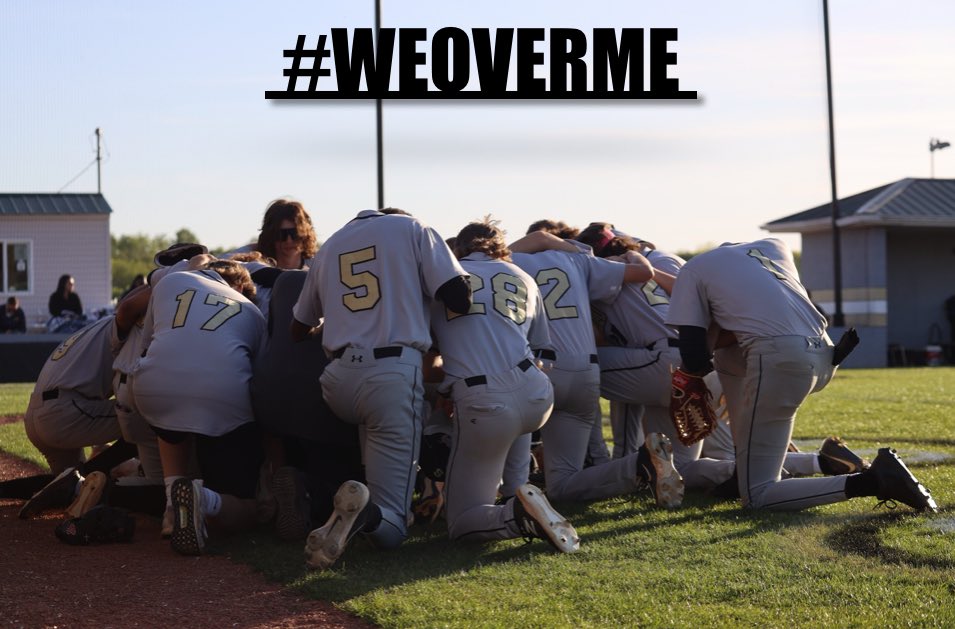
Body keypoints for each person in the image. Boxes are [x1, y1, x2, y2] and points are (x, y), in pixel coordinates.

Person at [666, 237, 937, 511]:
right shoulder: (774, 247)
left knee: (758, 496)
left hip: (781, 361)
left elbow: (694, 356)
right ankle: (742, 472)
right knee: (729, 356)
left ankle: (873, 481)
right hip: (824, 353)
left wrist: (689, 380)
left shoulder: (695, 268)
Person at [292, 207, 471, 570]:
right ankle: (369, 516)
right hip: (391, 373)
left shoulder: (330, 245)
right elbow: (459, 297)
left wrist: (348, 324)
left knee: (373, 444)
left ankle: (351, 507)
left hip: (339, 377)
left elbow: (298, 328)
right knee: (394, 525)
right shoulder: (411, 227)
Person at [508, 224, 684, 507]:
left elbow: (539, 238)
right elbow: (647, 274)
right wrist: (615, 253)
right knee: (698, 460)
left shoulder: (511, 263)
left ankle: (512, 491)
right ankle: (641, 463)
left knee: (527, 433)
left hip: (546, 368)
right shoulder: (586, 259)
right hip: (689, 359)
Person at [430, 218, 578, 552]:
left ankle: (517, 515)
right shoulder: (523, 276)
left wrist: (445, 390)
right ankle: (518, 494)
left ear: (460, 248)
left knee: (461, 522)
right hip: (535, 392)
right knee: (515, 453)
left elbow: (431, 350)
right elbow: (543, 351)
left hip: (484, 399)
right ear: (499, 246)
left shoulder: (444, 278)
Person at [132, 257, 267, 555]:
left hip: (150, 391)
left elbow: (149, 346)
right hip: (220, 399)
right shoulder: (253, 312)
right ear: (241, 286)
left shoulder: (171, 282)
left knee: (169, 411)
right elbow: (258, 378)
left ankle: (172, 503)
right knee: (249, 508)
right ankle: (204, 499)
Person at [255, 199, 319, 270]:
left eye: (295, 233)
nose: (289, 240)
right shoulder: (255, 271)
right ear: (270, 236)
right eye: (281, 234)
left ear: (306, 234)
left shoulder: (318, 270)